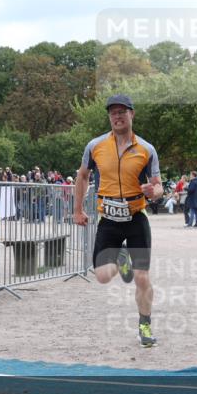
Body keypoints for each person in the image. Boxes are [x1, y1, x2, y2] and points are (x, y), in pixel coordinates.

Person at [73, 93, 163, 347]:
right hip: (109, 219)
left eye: (122, 111)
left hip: (136, 218)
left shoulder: (146, 149)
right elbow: (82, 176)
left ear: (132, 114)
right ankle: (121, 257)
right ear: (109, 117)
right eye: (113, 112)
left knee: (142, 277)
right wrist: (77, 210)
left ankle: (144, 324)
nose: (117, 116)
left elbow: (159, 187)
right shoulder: (95, 146)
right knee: (102, 276)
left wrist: (153, 192)